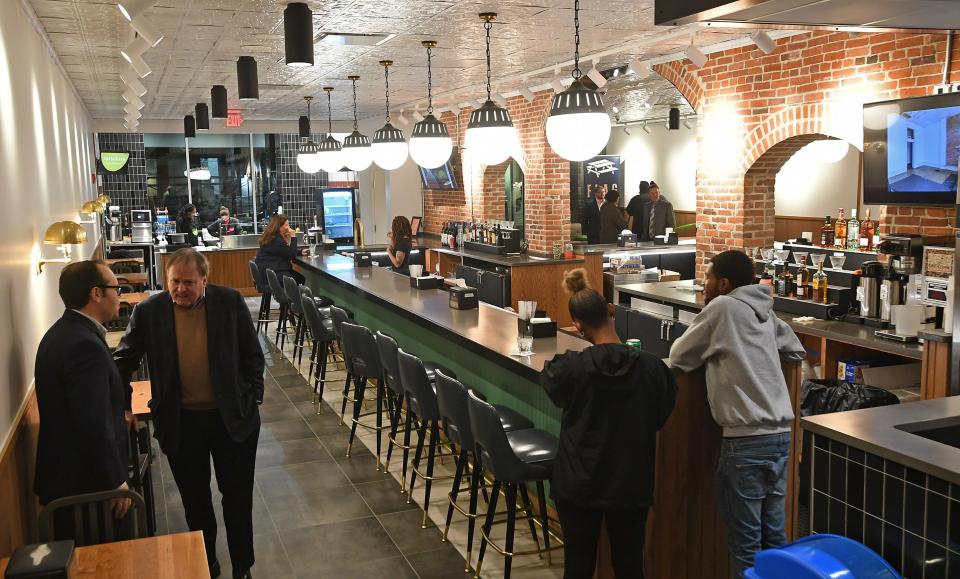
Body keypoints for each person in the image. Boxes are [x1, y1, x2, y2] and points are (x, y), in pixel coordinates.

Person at [114, 249, 264, 579]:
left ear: (205, 281)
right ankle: (206, 563)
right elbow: (121, 363)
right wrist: (124, 404)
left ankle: (242, 567)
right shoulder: (149, 311)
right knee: (196, 504)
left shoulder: (229, 303)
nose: (180, 289)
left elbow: (253, 355)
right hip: (182, 424)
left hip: (232, 421)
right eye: (174, 282)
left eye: (189, 282)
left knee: (237, 499)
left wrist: (253, 398)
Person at [669, 250, 805, 579]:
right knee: (775, 542)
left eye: (709, 279)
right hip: (780, 438)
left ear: (725, 283)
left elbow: (678, 357)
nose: (704, 285)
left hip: (745, 443)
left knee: (746, 548)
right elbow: (796, 349)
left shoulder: (722, 308)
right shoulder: (763, 310)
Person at [541, 268, 676, 579]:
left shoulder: (571, 368)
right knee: (630, 566)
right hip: (630, 483)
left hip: (578, 483)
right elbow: (661, 414)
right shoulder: (652, 369)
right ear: (612, 311)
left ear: (577, 326)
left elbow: (549, 382)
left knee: (578, 565)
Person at [34, 260, 134, 538]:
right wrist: (115, 482)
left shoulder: (65, 332)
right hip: (87, 489)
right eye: (116, 287)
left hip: (74, 481)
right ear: (96, 293)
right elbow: (92, 423)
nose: (119, 294)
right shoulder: (82, 345)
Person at [255, 214, 308, 285]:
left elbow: (284, 251)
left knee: (300, 278)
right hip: (274, 274)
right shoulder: (277, 240)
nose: (289, 228)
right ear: (279, 227)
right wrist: (293, 236)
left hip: (268, 272)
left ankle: (288, 295)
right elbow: (292, 255)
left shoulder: (272, 237)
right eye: (287, 225)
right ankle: (289, 296)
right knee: (300, 279)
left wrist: (300, 252)